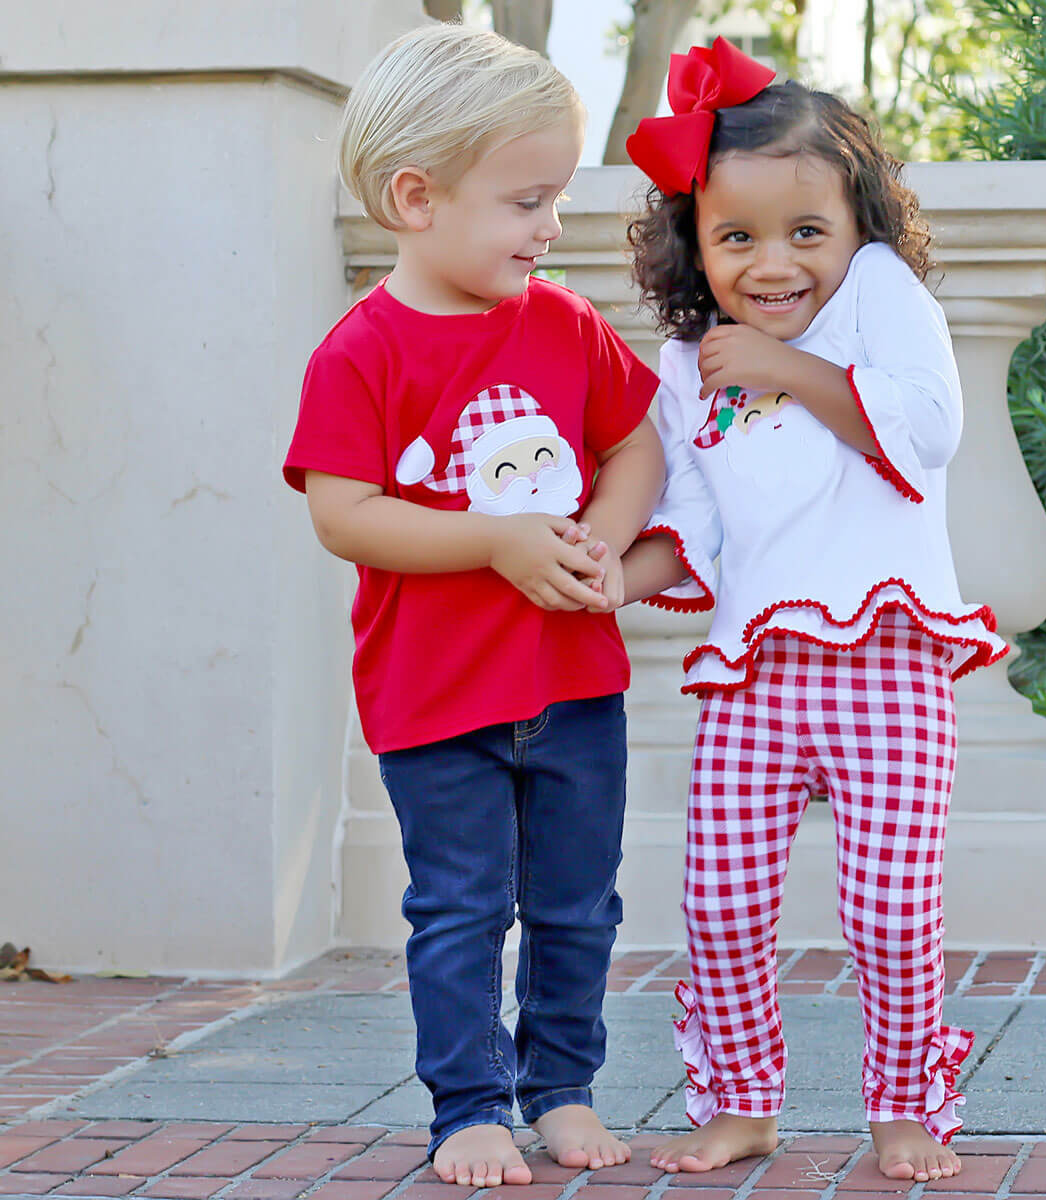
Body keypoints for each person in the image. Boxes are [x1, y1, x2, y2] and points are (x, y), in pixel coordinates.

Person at [619, 37, 1008, 1184]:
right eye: (736, 237)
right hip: (754, 675)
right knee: (722, 904)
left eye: (806, 231)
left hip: (888, 657)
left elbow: (928, 428)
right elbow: (690, 523)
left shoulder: (880, 297)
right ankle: (742, 1104)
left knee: (890, 912)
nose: (773, 262)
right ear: (694, 242)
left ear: (858, 227)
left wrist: (783, 368)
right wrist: (603, 580)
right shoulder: (688, 364)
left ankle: (905, 1111)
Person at [283, 23, 664, 1190]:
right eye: (526, 201)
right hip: (436, 698)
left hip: (574, 687)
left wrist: (602, 541)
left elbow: (636, 446)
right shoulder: (360, 354)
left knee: (578, 907)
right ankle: (470, 1107)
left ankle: (562, 1087)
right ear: (417, 198)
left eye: (556, 199)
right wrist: (494, 541)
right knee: (459, 910)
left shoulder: (566, 325)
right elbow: (345, 513)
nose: (551, 226)